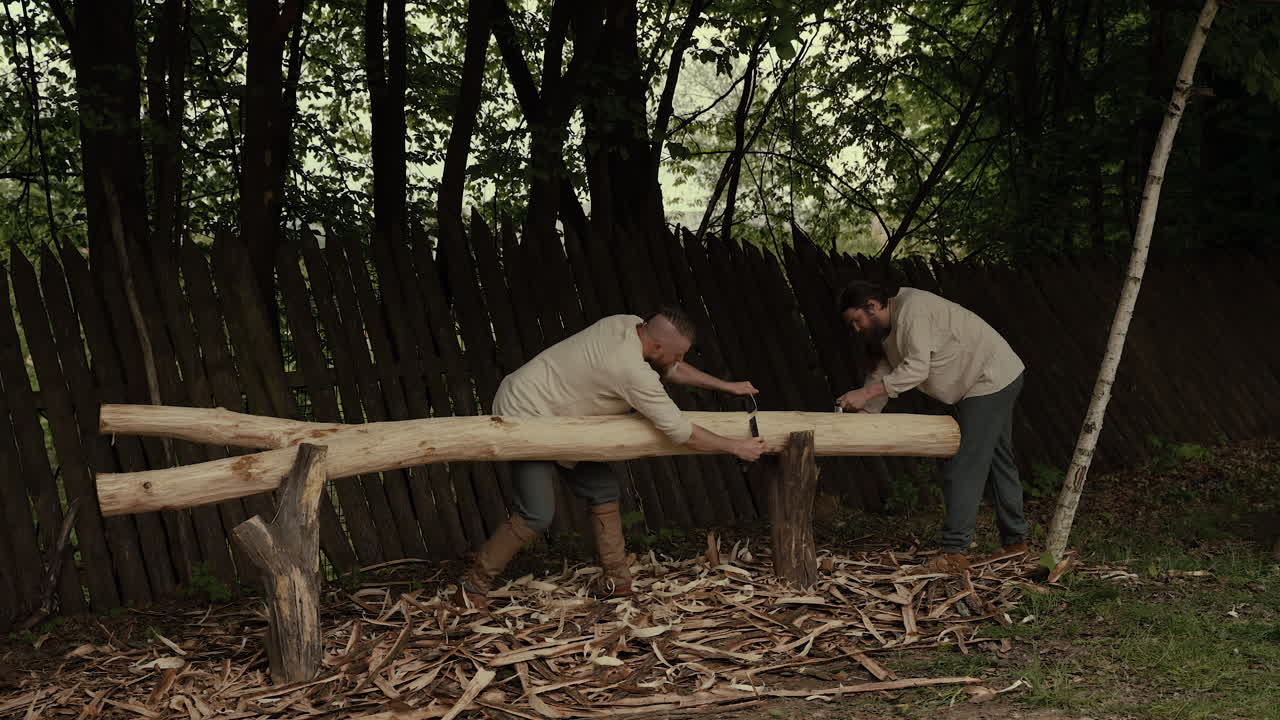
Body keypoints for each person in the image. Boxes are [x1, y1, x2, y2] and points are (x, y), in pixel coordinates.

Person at [455, 307, 766, 609]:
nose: (681, 360)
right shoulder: (629, 369)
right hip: (523, 413)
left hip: (562, 416)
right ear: (656, 345)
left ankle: (617, 583)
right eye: (678, 353)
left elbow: (670, 367)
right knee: (537, 513)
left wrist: (727, 387)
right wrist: (736, 447)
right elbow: (680, 431)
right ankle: (472, 587)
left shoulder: (628, 324)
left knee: (602, 489)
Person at [835, 280, 1028, 571]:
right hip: (984, 380)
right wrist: (865, 412)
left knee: (966, 463)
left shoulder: (914, 310)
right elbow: (883, 374)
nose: (856, 328)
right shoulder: (887, 333)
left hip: (990, 377)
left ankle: (955, 551)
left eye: (856, 320)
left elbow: (916, 368)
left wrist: (864, 395)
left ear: (872, 306)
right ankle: (1015, 542)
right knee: (999, 459)